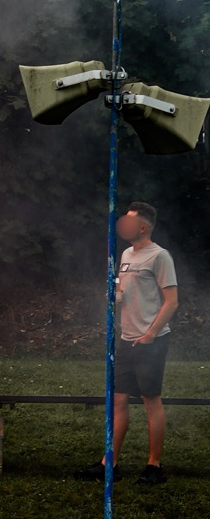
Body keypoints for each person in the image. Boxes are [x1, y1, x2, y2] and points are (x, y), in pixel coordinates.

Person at [80, 199, 178, 486]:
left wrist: (150, 334)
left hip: (151, 341)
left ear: (143, 227)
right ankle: (109, 463)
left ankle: (154, 466)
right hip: (126, 339)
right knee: (118, 399)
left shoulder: (160, 256)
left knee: (150, 400)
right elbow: (121, 288)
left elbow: (172, 301)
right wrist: (115, 293)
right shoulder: (124, 254)